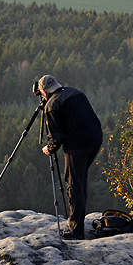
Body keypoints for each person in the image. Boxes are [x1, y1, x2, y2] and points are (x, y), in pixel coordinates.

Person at [38, 74, 102, 240]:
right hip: (94, 140)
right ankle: (77, 221)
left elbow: (56, 138)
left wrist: (49, 149)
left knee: (73, 184)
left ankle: (76, 231)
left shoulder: (52, 105)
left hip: (77, 146)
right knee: (79, 180)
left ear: (44, 92)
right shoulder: (75, 93)